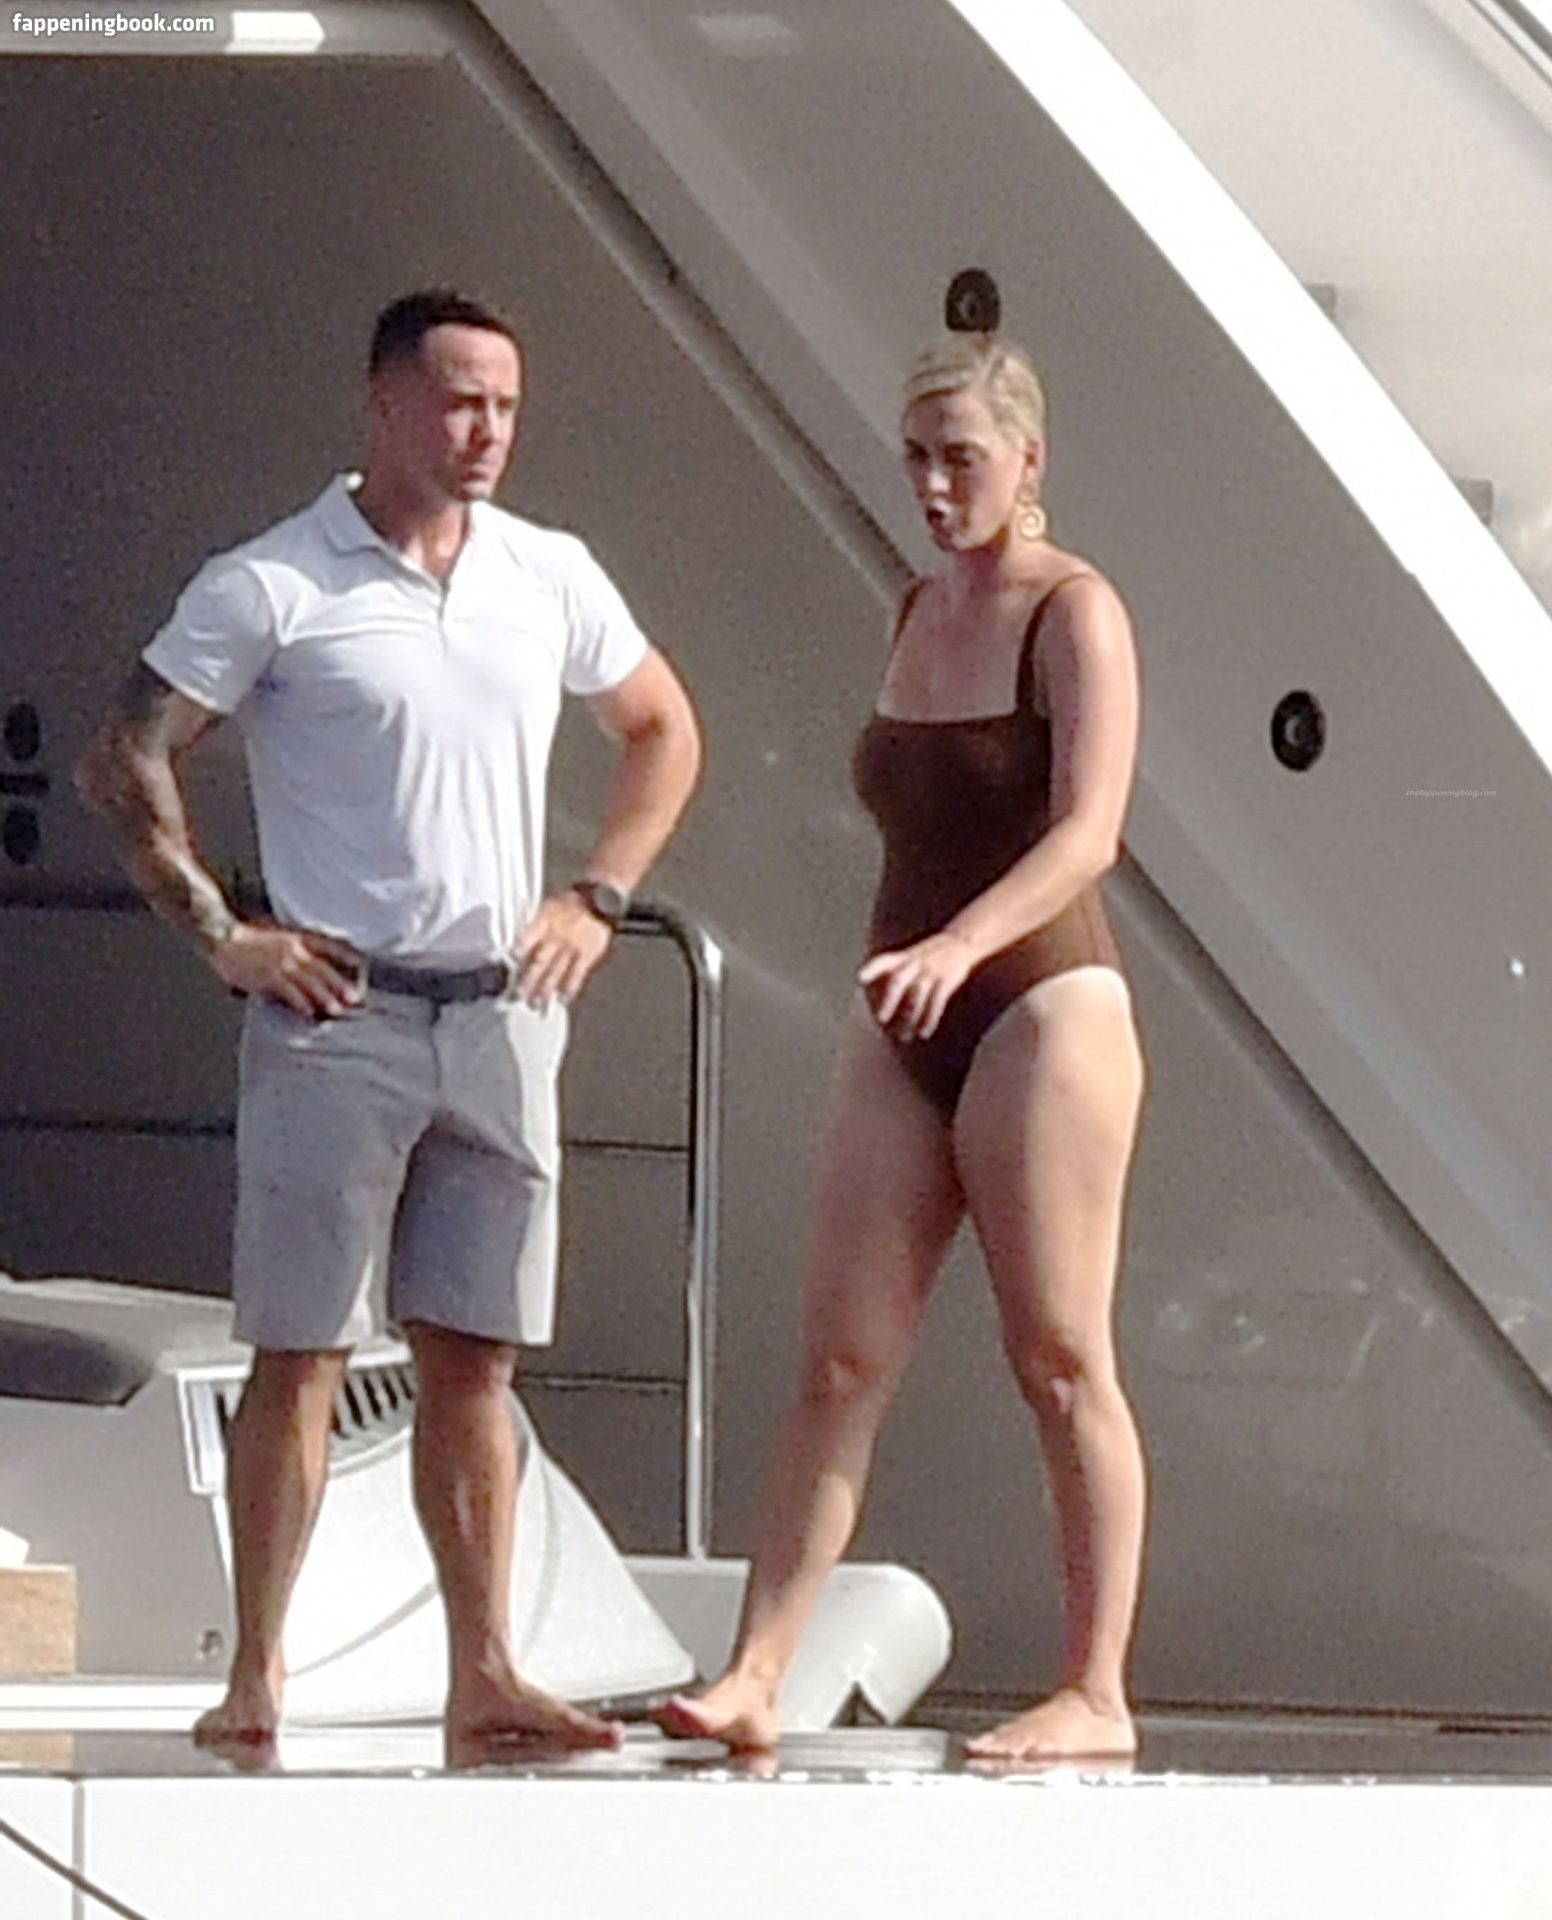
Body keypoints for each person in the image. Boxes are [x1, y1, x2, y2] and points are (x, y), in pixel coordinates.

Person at [76, 287, 702, 1755]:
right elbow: (127, 753)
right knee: (302, 1348)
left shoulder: (547, 572)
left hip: (500, 1006)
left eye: (505, 405)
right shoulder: (277, 580)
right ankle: (258, 1674)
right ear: (384, 404)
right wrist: (226, 936)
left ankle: (485, 1669)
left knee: (475, 1354)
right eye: (460, 401)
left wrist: (597, 895)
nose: (487, 431)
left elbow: (663, 725)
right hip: (339, 1008)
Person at [656, 332, 1146, 1761]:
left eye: (963, 460)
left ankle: (1096, 1689)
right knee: (838, 1360)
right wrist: (920, 964)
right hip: (910, 1016)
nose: (934, 487)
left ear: (1029, 461)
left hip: (1042, 1004)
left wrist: (962, 944)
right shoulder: (917, 606)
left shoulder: (1075, 610)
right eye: (918, 459)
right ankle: (758, 1670)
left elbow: (1090, 834)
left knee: (1060, 1355)